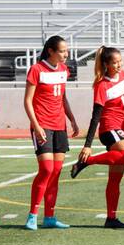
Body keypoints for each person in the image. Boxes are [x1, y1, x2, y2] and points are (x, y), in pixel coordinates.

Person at [71, 46, 124, 229]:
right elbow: (96, 116)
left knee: (115, 179)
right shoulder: (102, 85)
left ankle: (111, 218)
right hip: (109, 129)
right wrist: (87, 145)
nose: (119, 65)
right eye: (114, 62)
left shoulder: (123, 75)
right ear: (106, 64)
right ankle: (87, 161)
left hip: (123, 130)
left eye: (120, 61)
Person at [24, 36, 80, 230]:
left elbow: (63, 97)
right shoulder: (36, 70)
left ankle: (49, 217)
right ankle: (32, 215)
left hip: (59, 126)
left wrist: (71, 118)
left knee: (55, 173)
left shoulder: (64, 70)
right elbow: (28, 101)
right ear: (51, 51)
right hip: (43, 125)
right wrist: (36, 125)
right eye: (63, 51)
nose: (66, 54)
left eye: (66, 50)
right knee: (46, 169)